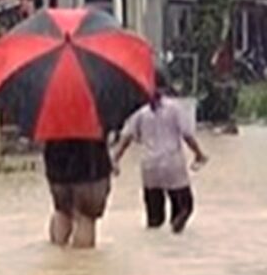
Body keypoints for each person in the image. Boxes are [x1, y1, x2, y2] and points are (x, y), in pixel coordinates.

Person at [112, 77, 208, 233]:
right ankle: (175, 233)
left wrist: (115, 160)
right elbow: (187, 135)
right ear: (165, 88)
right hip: (172, 164)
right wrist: (199, 154)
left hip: (149, 166)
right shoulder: (175, 109)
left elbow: (125, 139)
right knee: (185, 207)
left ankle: (155, 242)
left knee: (155, 218)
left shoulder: (140, 113)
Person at [43, 140, 112, 248]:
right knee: (86, 216)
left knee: (62, 210)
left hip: (55, 151)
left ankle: (57, 253)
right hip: (89, 155)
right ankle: (82, 256)